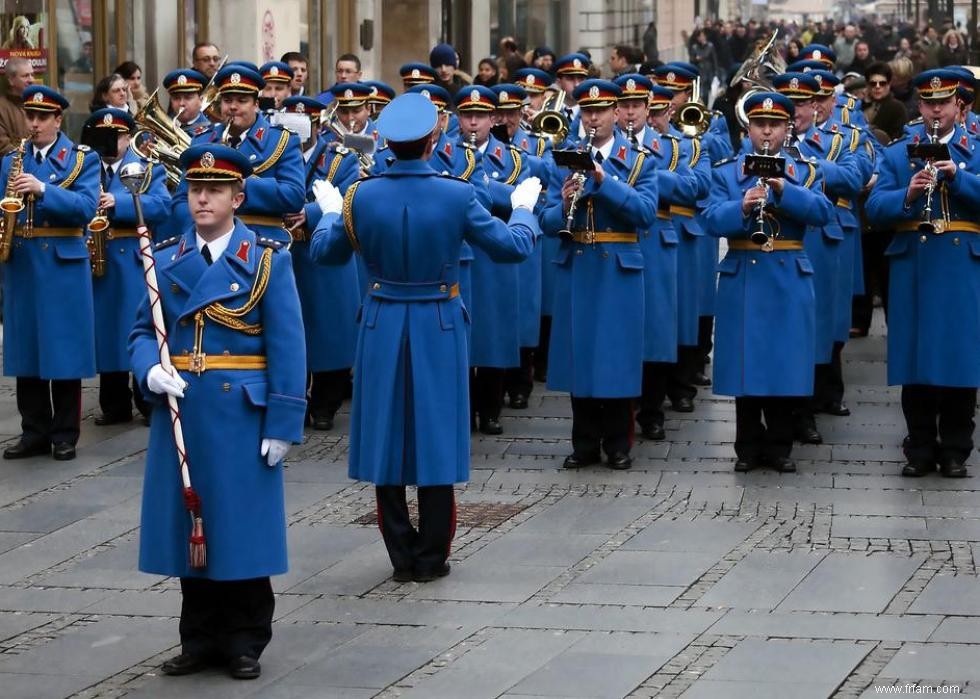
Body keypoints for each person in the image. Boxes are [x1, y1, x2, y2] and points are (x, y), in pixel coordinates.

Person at [309, 92, 541, 581]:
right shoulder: (457, 193)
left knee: (383, 434)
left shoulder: (361, 194)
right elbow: (512, 249)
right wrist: (522, 209)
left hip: (380, 318)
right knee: (438, 434)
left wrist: (330, 211)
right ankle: (432, 555)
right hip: (438, 319)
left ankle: (401, 554)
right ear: (434, 137)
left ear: (386, 142)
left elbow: (325, 255)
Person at [132, 143, 305, 680]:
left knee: (240, 528)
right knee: (193, 527)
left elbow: (289, 345)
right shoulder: (163, 256)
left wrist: (283, 423)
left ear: (238, 196)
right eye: (194, 189)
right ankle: (199, 637)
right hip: (185, 408)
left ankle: (246, 639)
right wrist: (148, 370)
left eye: (214, 191)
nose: (201, 199)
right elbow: (143, 331)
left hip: (241, 414)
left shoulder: (267, 259)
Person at [702, 91, 834, 473]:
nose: (766, 132)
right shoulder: (728, 172)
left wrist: (783, 189)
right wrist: (740, 207)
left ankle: (779, 446)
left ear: (786, 128)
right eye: (760, 125)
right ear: (748, 128)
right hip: (744, 269)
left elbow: (823, 212)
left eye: (774, 125)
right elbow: (709, 219)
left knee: (783, 361)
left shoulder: (804, 168)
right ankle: (746, 447)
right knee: (746, 363)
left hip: (788, 270)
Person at [865, 68, 980, 479]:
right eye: (928, 103)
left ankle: (955, 449)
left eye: (943, 103)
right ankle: (919, 447)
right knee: (915, 360)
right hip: (914, 264)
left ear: (958, 106)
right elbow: (874, 210)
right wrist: (908, 194)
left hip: (962, 266)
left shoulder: (975, 149)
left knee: (959, 359)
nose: (935, 110)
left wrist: (960, 177)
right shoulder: (899, 153)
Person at [541, 79, 658, 470]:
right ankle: (584, 443)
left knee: (616, 355)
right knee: (580, 355)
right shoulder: (566, 159)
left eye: (601, 111)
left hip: (619, 264)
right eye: (587, 111)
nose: (593, 118)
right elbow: (544, 221)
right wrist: (562, 203)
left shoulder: (639, 160)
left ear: (614, 113)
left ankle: (618, 443)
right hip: (578, 260)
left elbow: (644, 214)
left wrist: (605, 183)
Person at [0, 86, 100, 461]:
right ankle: (34, 431)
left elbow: (87, 208)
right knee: (26, 349)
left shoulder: (80, 159)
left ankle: (64, 433)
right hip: (23, 261)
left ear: (59, 120)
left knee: (63, 349)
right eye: (30, 116)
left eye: (43, 117)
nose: (36, 123)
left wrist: (43, 189)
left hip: (62, 262)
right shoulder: (12, 161)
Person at [83, 108, 171, 426]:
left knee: (135, 326)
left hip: (132, 255)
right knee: (105, 330)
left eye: (118, 136)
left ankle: (146, 399)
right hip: (98, 252)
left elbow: (162, 206)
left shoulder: (147, 168)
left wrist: (117, 203)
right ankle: (113, 404)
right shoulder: (87, 168)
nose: (113, 142)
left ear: (127, 137)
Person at [280, 96, 360, 431]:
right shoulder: (276, 153)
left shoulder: (340, 158)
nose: (300, 134)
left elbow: (349, 196)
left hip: (324, 247)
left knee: (329, 330)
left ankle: (325, 404)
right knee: (290, 331)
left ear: (318, 125)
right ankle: (294, 401)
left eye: (306, 125)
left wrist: (309, 213)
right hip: (286, 252)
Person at [176, 65, 305, 246]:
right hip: (207, 240)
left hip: (260, 242)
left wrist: (244, 185)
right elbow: (181, 199)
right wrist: (197, 235)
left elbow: (294, 196)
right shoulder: (203, 139)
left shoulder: (282, 140)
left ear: (256, 104)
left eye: (242, 101)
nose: (233, 107)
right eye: (227, 100)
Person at [863, 62, 907, 140]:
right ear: (867, 85)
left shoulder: (897, 108)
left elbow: (900, 138)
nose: (877, 87)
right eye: (873, 83)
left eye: (882, 83)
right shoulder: (860, 105)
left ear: (889, 84)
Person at [163, 69, 212, 137]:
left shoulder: (211, 132)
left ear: (201, 100)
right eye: (176, 98)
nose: (181, 103)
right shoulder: (163, 127)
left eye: (188, 98)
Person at [0, 56, 33, 154]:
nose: (31, 79)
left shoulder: (37, 102)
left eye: (32, 75)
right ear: (11, 80)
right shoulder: (2, 108)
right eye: (25, 76)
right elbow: (3, 147)